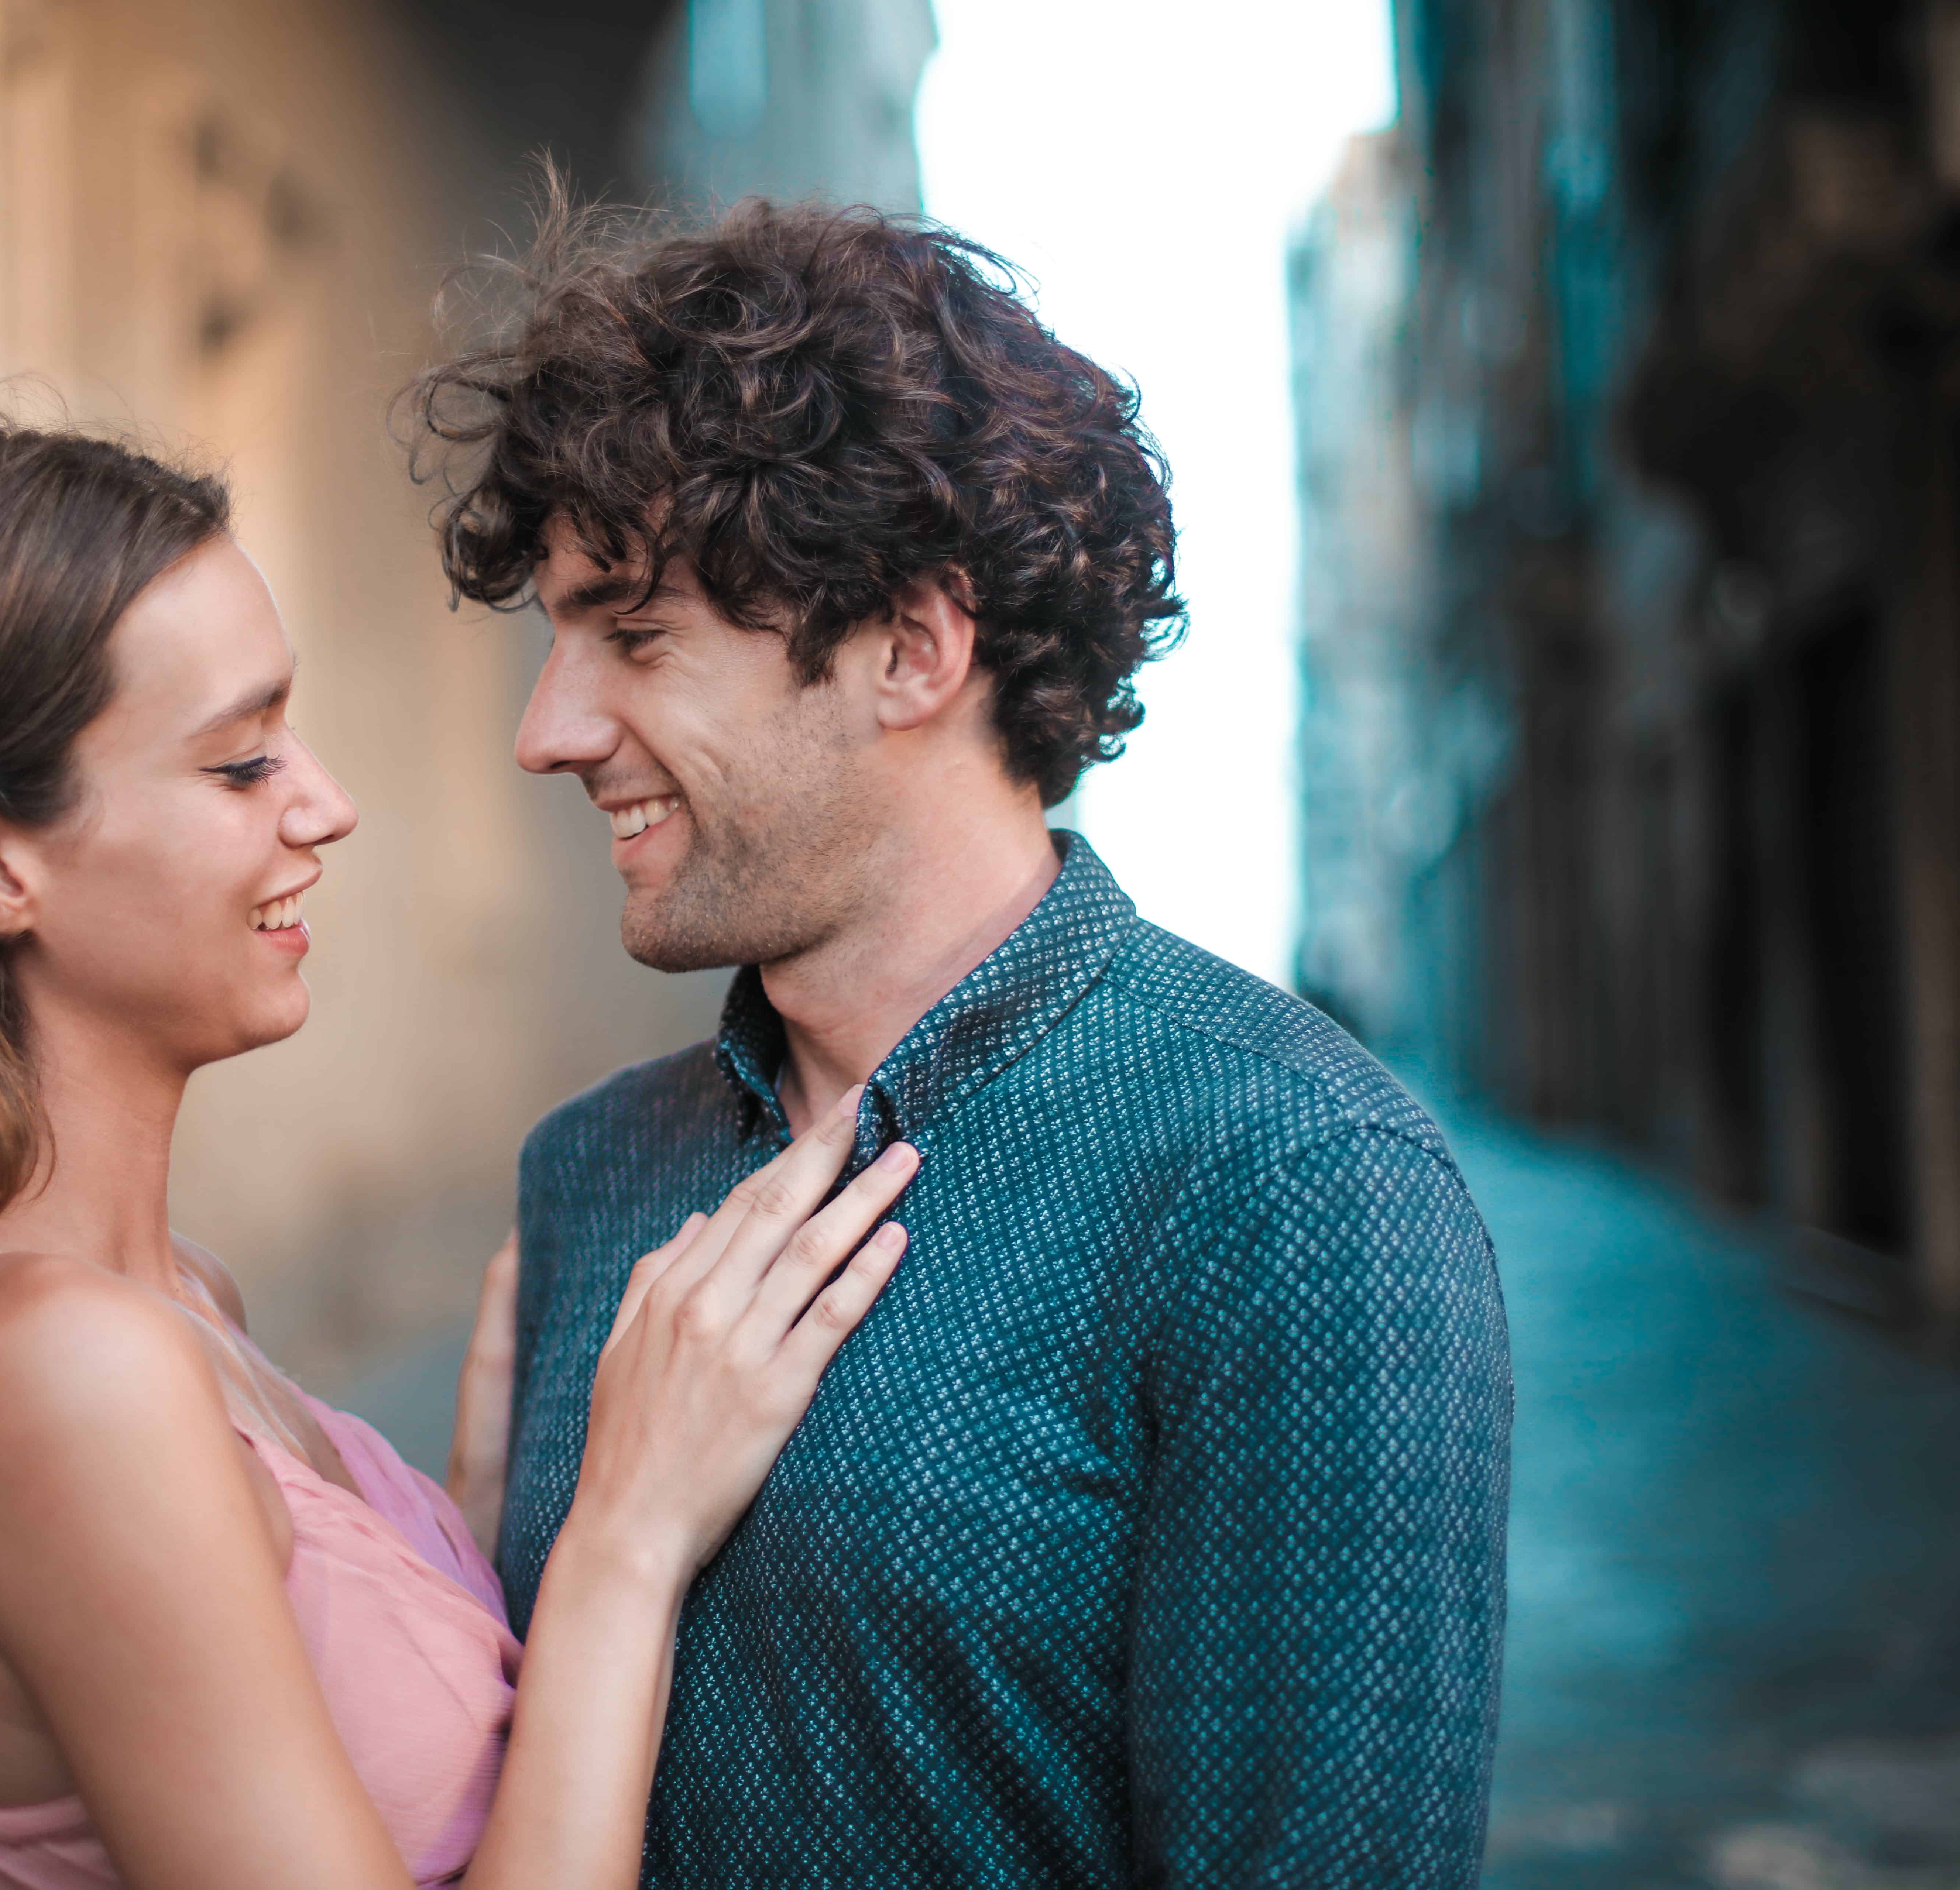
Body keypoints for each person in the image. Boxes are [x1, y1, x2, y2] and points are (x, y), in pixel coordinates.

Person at [0, 421, 924, 1890]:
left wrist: (472, 1522)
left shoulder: (180, 1301)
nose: (325, 802)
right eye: (241, 761)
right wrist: (625, 1535)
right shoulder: (52, 1371)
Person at [415, 200, 1515, 1884]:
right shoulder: (590, 1174)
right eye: (556, 642)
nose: (547, 731)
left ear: (914, 650)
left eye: (635, 637)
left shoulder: (1298, 1191)